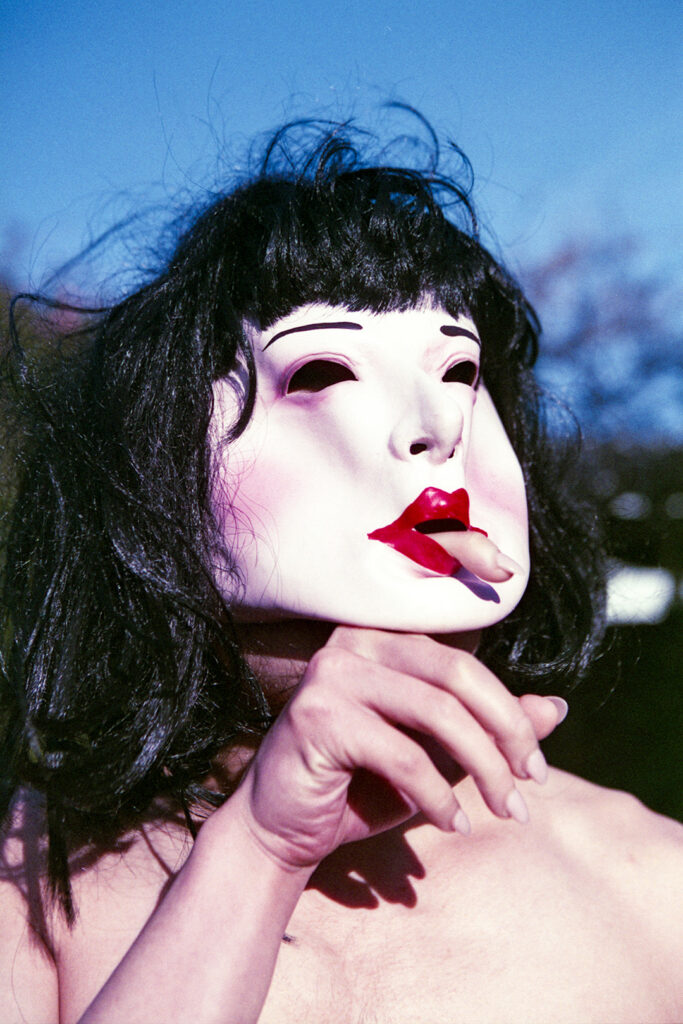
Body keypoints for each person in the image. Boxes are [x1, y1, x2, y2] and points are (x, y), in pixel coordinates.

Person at [1, 120, 681, 1024]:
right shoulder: (35, 885)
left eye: (460, 371)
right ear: (150, 476)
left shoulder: (650, 883)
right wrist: (255, 854)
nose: (435, 428)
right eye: (322, 371)